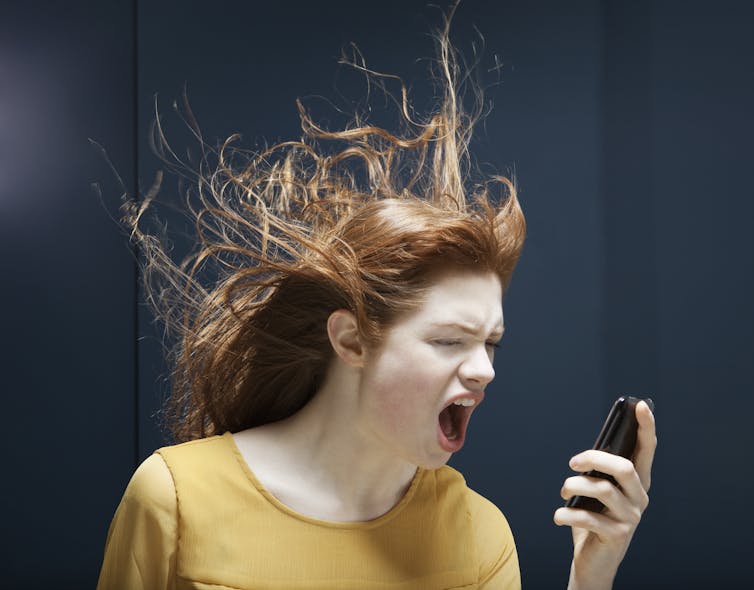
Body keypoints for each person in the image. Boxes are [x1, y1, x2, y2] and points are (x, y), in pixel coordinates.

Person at [97, 10, 656, 590]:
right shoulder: (176, 500)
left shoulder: (478, 534)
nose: (485, 370)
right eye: (448, 340)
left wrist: (592, 573)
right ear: (351, 339)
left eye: (491, 343)